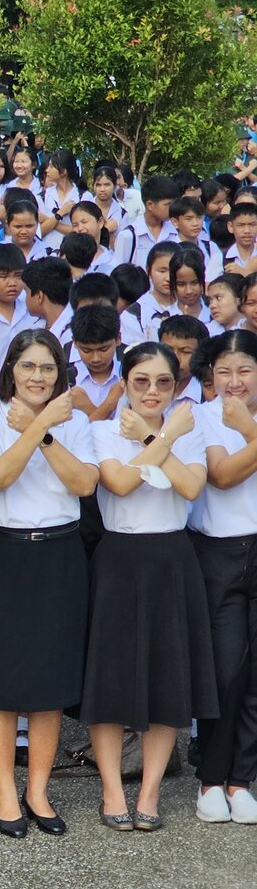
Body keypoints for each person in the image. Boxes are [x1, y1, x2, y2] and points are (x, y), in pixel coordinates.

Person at [0, 329, 98, 838]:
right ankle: (4, 789)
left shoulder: (78, 422)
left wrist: (43, 431)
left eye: (48, 367)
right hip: (6, 552)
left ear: (59, 373)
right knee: (1, 678)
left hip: (61, 553)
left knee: (50, 679)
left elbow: (83, 484)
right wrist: (39, 424)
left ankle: (38, 790)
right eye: (28, 366)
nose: (38, 376)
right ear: (10, 370)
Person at [86, 342, 217, 831]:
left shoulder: (190, 430)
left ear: (176, 386)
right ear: (123, 383)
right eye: (140, 381)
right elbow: (119, 484)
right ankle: (111, 790)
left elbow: (190, 487)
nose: (152, 391)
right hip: (118, 556)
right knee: (110, 677)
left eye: (164, 382)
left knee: (167, 679)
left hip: (171, 557)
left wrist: (152, 437)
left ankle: (150, 792)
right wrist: (159, 438)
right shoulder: (102, 431)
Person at [191, 330, 257, 824]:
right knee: (226, 669)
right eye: (225, 371)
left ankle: (242, 781)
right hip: (220, 552)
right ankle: (211, 779)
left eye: (246, 370)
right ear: (210, 376)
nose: (235, 381)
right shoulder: (202, 417)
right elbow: (222, 475)